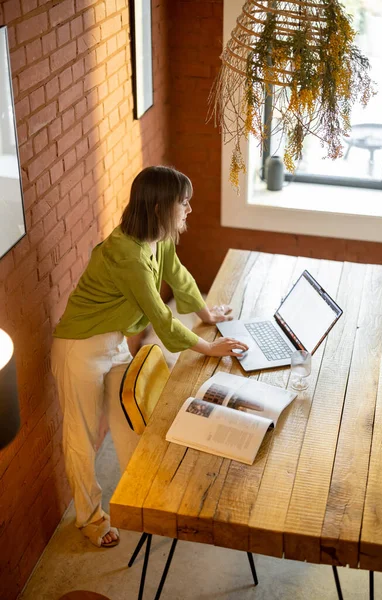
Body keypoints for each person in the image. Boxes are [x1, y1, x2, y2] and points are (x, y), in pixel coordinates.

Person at [51, 165, 248, 548]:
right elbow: (160, 314)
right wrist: (208, 347)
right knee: (82, 436)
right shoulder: (127, 255)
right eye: (183, 203)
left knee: (128, 421)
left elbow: (178, 275)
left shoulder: (160, 236)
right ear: (159, 207)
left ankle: (141, 499)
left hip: (112, 343)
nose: (189, 209)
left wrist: (207, 314)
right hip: (80, 348)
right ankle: (91, 520)